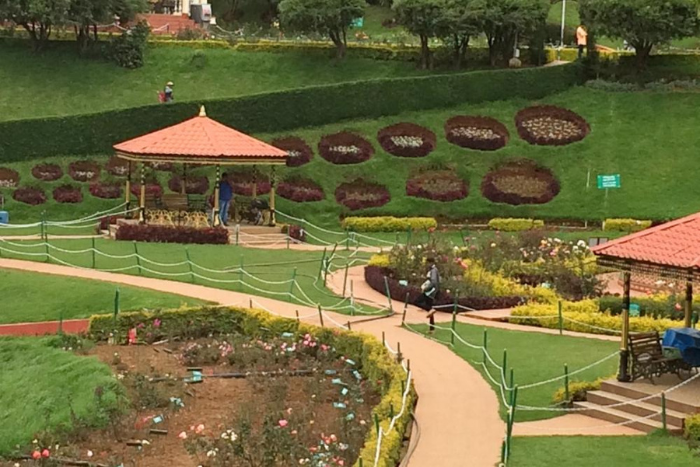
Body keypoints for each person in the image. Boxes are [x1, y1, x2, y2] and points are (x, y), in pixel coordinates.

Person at [414, 258, 440, 333]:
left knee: (416, 301)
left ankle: (429, 310)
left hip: (430, 292)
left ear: (430, 263)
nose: (426, 265)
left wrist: (426, 289)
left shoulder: (434, 270)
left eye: (427, 263)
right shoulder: (432, 270)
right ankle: (432, 329)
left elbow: (433, 282)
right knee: (430, 310)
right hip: (431, 291)